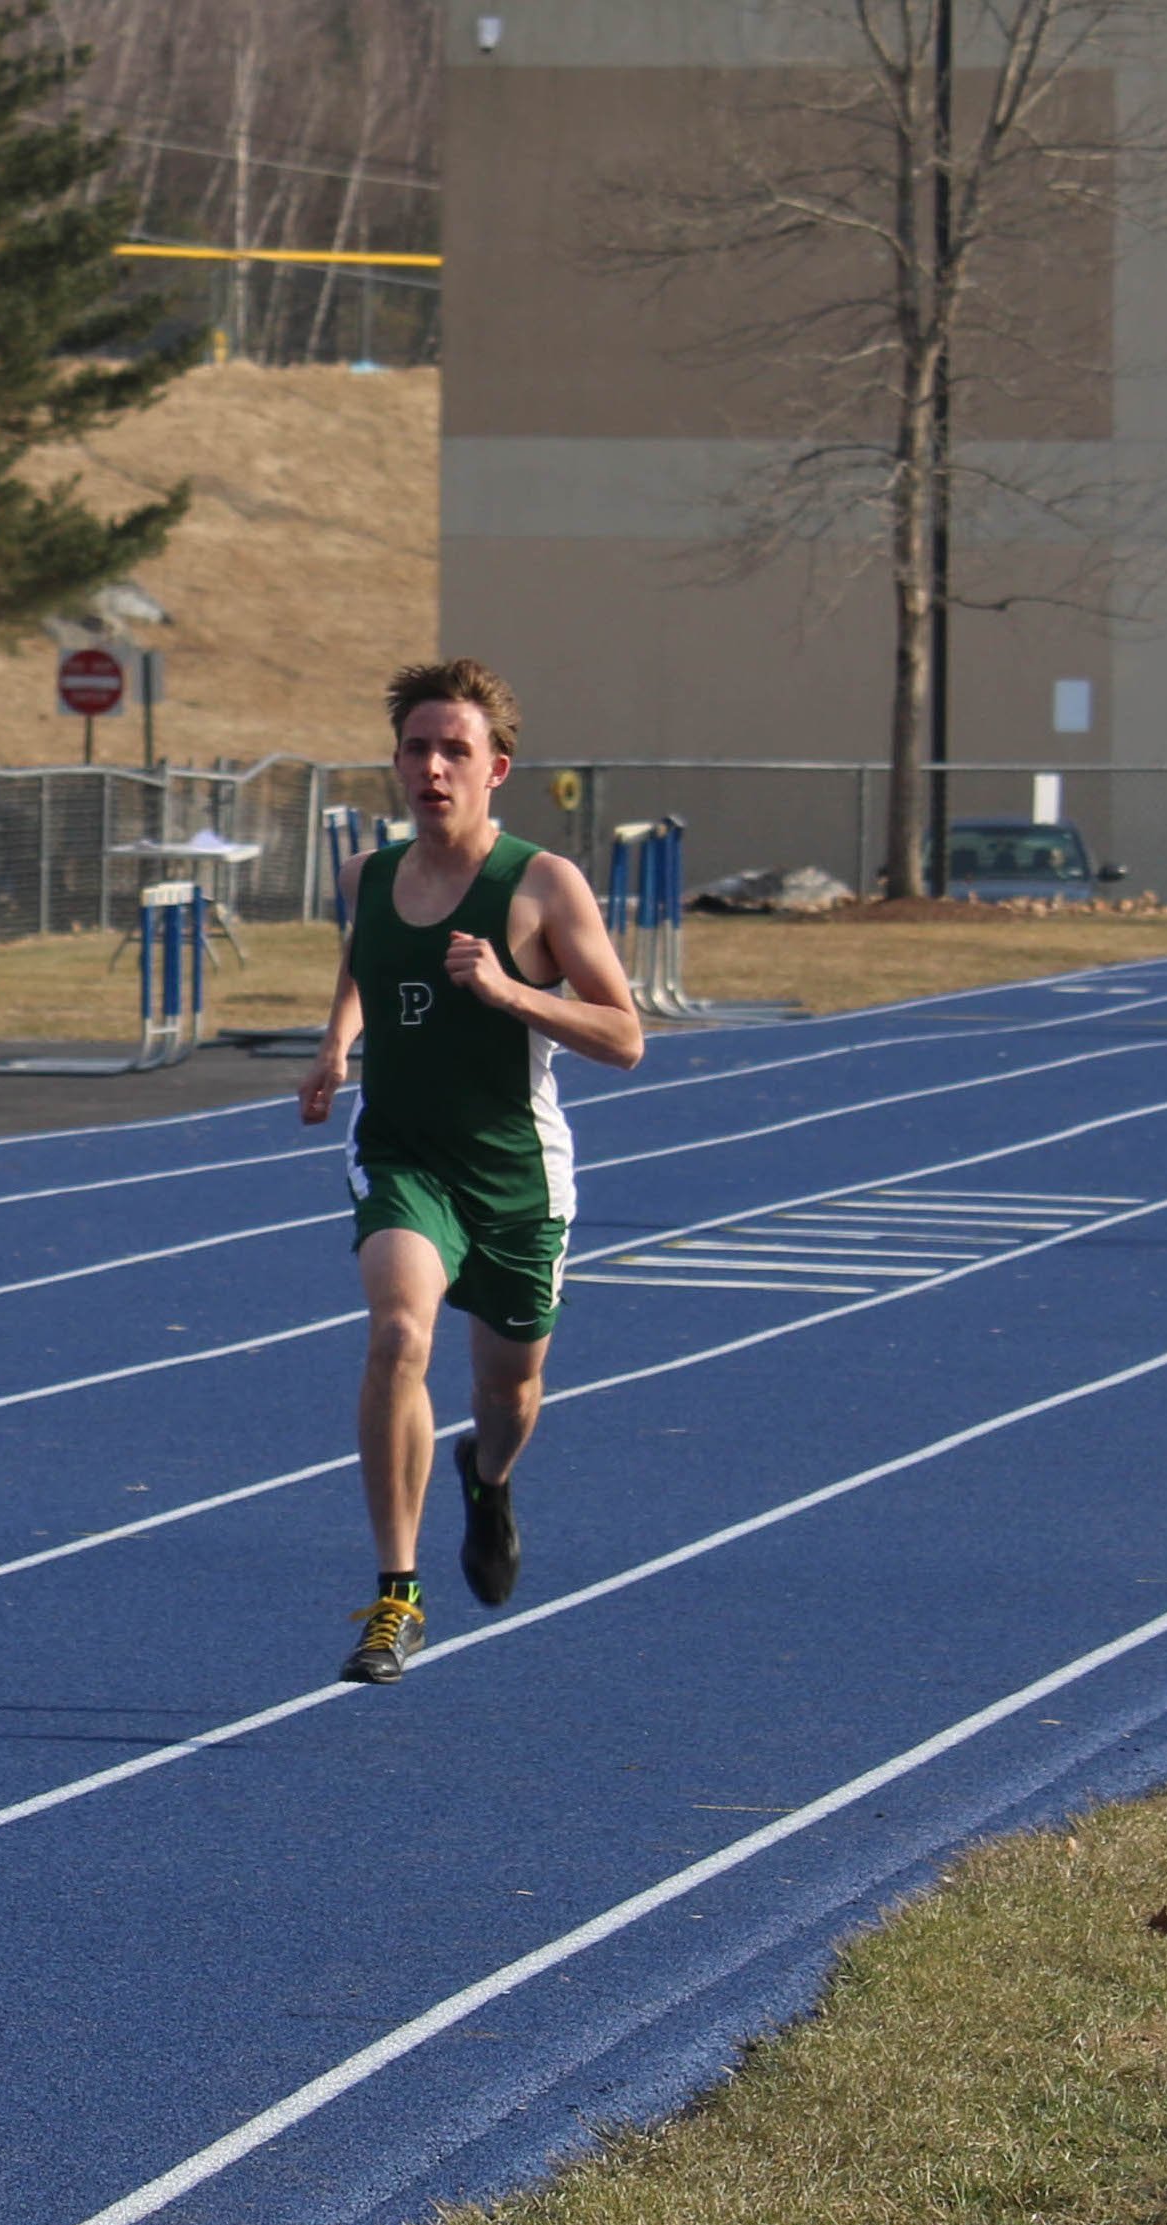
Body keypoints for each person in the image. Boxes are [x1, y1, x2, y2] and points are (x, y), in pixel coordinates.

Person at [298, 658, 644, 1683]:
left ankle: (488, 1481)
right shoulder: (368, 874)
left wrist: (509, 991)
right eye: (417, 747)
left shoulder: (542, 885)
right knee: (399, 1330)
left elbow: (626, 1035)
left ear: (498, 767)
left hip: (515, 1174)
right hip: (402, 1150)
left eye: (456, 749)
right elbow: (366, 959)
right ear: (397, 762)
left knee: (510, 1386)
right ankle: (395, 1596)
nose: (434, 767)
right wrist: (336, 1042)